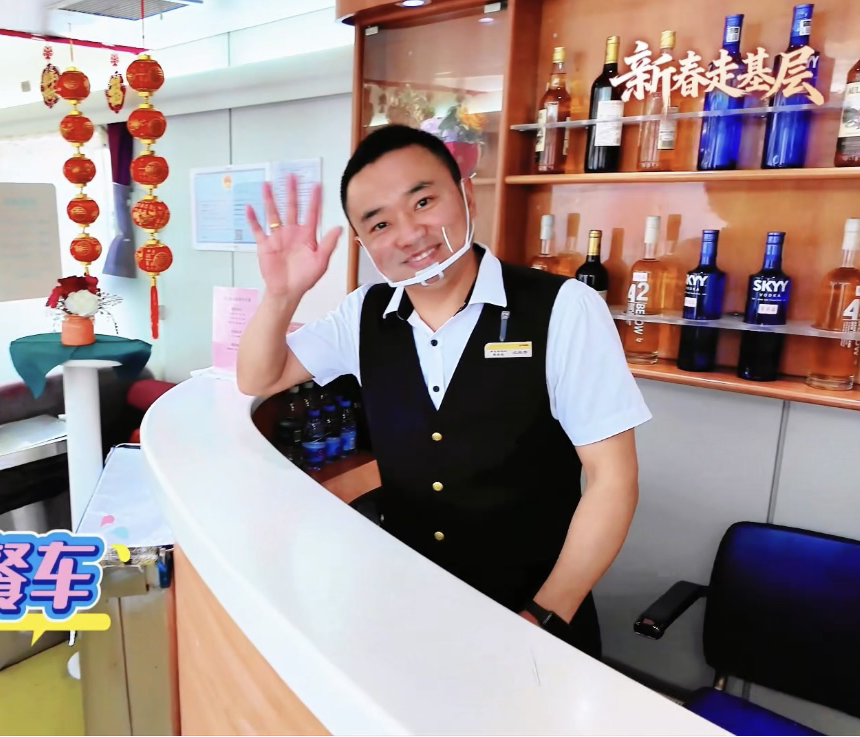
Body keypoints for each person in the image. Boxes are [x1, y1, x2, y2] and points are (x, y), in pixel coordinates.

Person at [236, 124, 650, 657]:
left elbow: (612, 479)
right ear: (364, 244)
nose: (409, 234)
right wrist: (281, 294)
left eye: (423, 201)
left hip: (535, 616)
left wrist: (544, 614)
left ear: (466, 195)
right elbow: (259, 377)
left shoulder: (564, 308)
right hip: (410, 609)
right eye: (380, 223)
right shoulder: (363, 314)